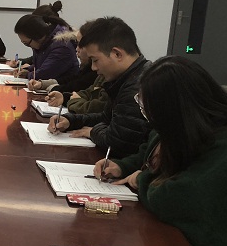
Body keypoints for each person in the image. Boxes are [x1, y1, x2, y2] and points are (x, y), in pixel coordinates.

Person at [93, 56, 227, 246]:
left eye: (149, 109)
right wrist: (123, 165)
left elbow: (181, 197)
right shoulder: (187, 124)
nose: (149, 118)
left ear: (175, 109)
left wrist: (141, 179)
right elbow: (151, 152)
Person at [48, 16, 151, 157]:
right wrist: (71, 120)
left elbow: (118, 142)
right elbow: (106, 118)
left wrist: (92, 131)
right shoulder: (125, 78)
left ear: (117, 54)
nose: (93, 67)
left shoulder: (137, 88)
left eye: (95, 60)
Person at [29, 20, 107, 113]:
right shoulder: (91, 68)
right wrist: (64, 96)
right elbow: (83, 90)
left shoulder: (98, 72)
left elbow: (94, 106)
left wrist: (56, 90)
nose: (76, 49)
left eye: (80, 45)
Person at [11, 13, 78, 83]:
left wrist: (27, 74)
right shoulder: (45, 43)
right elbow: (41, 65)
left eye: (27, 43)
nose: (30, 47)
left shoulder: (62, 47)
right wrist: (27, 69)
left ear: (37, 36)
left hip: (62, 88)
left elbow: (43, 75)